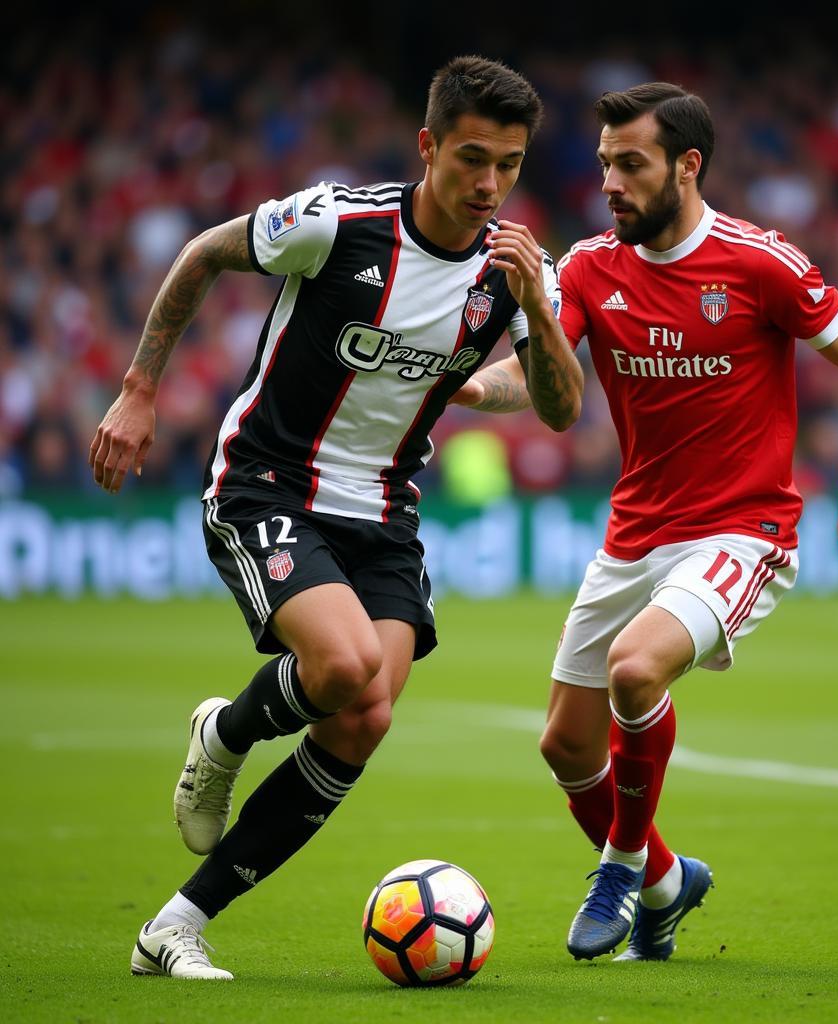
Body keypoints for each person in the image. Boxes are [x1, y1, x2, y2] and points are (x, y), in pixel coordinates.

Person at [88, 55, 582, 980]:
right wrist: (138, 390)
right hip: (267, 484)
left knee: (364, 717)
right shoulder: (337, 222)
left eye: (509, 165)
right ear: (428, 146)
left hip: (384, 513)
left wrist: (527, 330)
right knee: (345, 666)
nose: (489, 184)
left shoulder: (516, 272)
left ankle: (176, 925)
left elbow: (555, 403)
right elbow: (203, 254)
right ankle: (227, 735)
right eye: (473, 158)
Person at [459, 82, 838, 962]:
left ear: (686, 166)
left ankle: (621, 865)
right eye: (605, 166)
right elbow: (539, 389)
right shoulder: (585, 266)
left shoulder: (760, 261)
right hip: (635, 534)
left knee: (634, 669)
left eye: (632, 165)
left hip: (744, 532)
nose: (611, 184)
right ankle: (666, 885)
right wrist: (470, 383)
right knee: (563, 745)